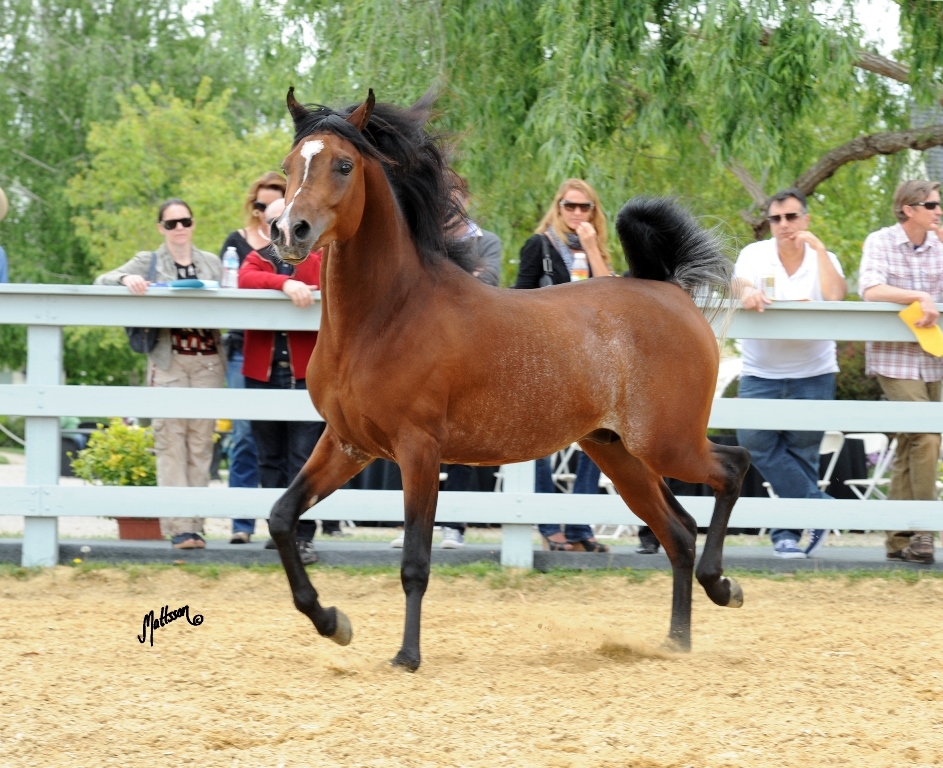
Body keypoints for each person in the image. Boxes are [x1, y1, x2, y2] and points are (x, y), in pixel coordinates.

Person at [95, 199, 225, 549]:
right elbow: (103, 280)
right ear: (161, 228)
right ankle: (178, 526)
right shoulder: (148, 260)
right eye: (171, 223)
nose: (179, 228)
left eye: (185, 221)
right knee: (170, 441)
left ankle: (196, 525)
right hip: (169, 359)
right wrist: (128, 278)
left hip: (208, 361)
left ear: (193, 224)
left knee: (201, 445)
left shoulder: (212, 263)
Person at [733, 188, 847, 559]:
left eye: (792, 217)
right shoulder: (755, 254)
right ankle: (819, 509)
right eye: (776, 218)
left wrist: (819, 250)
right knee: (753, 442)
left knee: (801, 456)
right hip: (760, 373)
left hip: (814, 373)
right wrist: (747, 292)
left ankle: (786, 537)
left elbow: (835, 296)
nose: (784, 224)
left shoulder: (823, 257)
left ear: (806, 219)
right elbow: (737, 282)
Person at [389, 177, 502, 550]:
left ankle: (454, 526)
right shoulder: (421, 239)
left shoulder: (486, 241)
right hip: (421, 356)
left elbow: (488, 282)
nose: (449, 203)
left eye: (456, 196)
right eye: (443, 196)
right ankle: (410, 524)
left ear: (466, 200)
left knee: (462, 441)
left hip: (471, 352)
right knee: (408, 440)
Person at [513, 178, 614, 553]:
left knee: (602, 438)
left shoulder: (596, 248)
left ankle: (578, 524)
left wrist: (592, 248)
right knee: (538, 442)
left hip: (588, 363)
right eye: (569, 206)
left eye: (584, 207)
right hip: (544, 358)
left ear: (594, 211)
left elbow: (613, 297)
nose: (576, 213)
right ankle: (548, 524)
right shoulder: (538, 245)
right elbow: (517, 300)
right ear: (558, 208)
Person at [239, 197, 339, 564]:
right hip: (262, 372)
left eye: (284, 218)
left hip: (302, 373)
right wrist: (284, 283)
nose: (280, 227)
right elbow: (245, 279)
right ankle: (279, 532)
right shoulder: (258, 259)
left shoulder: (317, 259)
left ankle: (303, 535)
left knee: (304, 457)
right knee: (269, 457)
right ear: (266, 227)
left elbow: (321, 280)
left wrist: (290, 280)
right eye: (273, 222)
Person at [859, 179, 943, 565]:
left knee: (913, 443)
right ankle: (924, 531)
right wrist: (919, 296)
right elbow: (871, 289)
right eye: (932, 205)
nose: (939, 211)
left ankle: (898, 540)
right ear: (909, 209)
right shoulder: (880, 241)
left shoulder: (938, 244)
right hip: (894, 358)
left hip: (934, 355)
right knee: (926, 436)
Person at [220, 172, 287, 543]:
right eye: (260, 205)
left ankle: (285, 525)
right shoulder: (238, 244)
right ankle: (242, 523)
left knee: (291, 440)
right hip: (245, 348)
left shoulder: (301, 242)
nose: (265, 212)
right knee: (245, 436)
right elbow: (235, 284)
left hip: (290, 353)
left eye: (273, 205)